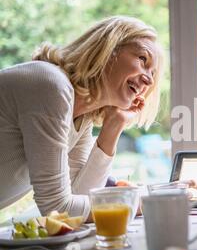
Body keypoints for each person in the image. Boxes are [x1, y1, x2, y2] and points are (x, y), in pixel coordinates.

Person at [0, 16, 164, 222]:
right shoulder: (50, 85)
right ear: (108, 48)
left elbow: (80, 196)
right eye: (142, 59)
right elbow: (57, 209)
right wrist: (136, 202)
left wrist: (113, 126)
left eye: (152, 72)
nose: (148, 79)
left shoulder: (81, 115)